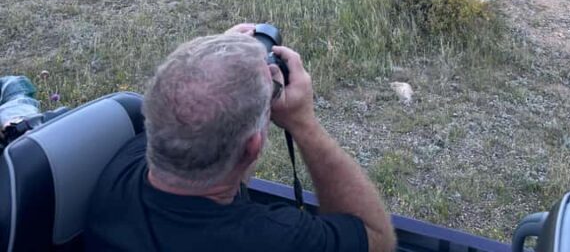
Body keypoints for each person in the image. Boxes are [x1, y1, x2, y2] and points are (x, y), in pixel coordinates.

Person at [84, 24, 396, 252]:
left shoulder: (113, 180)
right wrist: (304, 123)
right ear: (251, 148)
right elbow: (378, 238)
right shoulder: (273, 238)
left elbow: (193, 118)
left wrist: (217, 60)